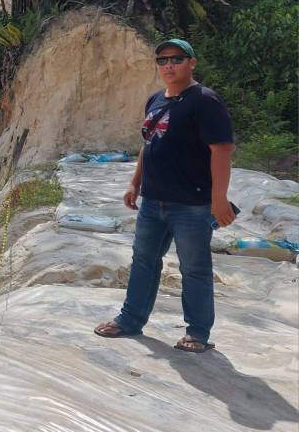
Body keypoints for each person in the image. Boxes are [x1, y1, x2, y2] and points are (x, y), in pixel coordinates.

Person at [94, 38, 236, 353]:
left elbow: (222, 149)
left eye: (176, 59)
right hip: (152, 202)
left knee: (194, 268)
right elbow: (149, 143)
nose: (168, 65)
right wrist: (135, 183)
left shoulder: (205, 101)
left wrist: (219, 198)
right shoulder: (155, 101)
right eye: (162, 60)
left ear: (192, 63)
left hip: (192, 204)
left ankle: (197, 333)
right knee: (144, 260)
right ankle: (130, 320)